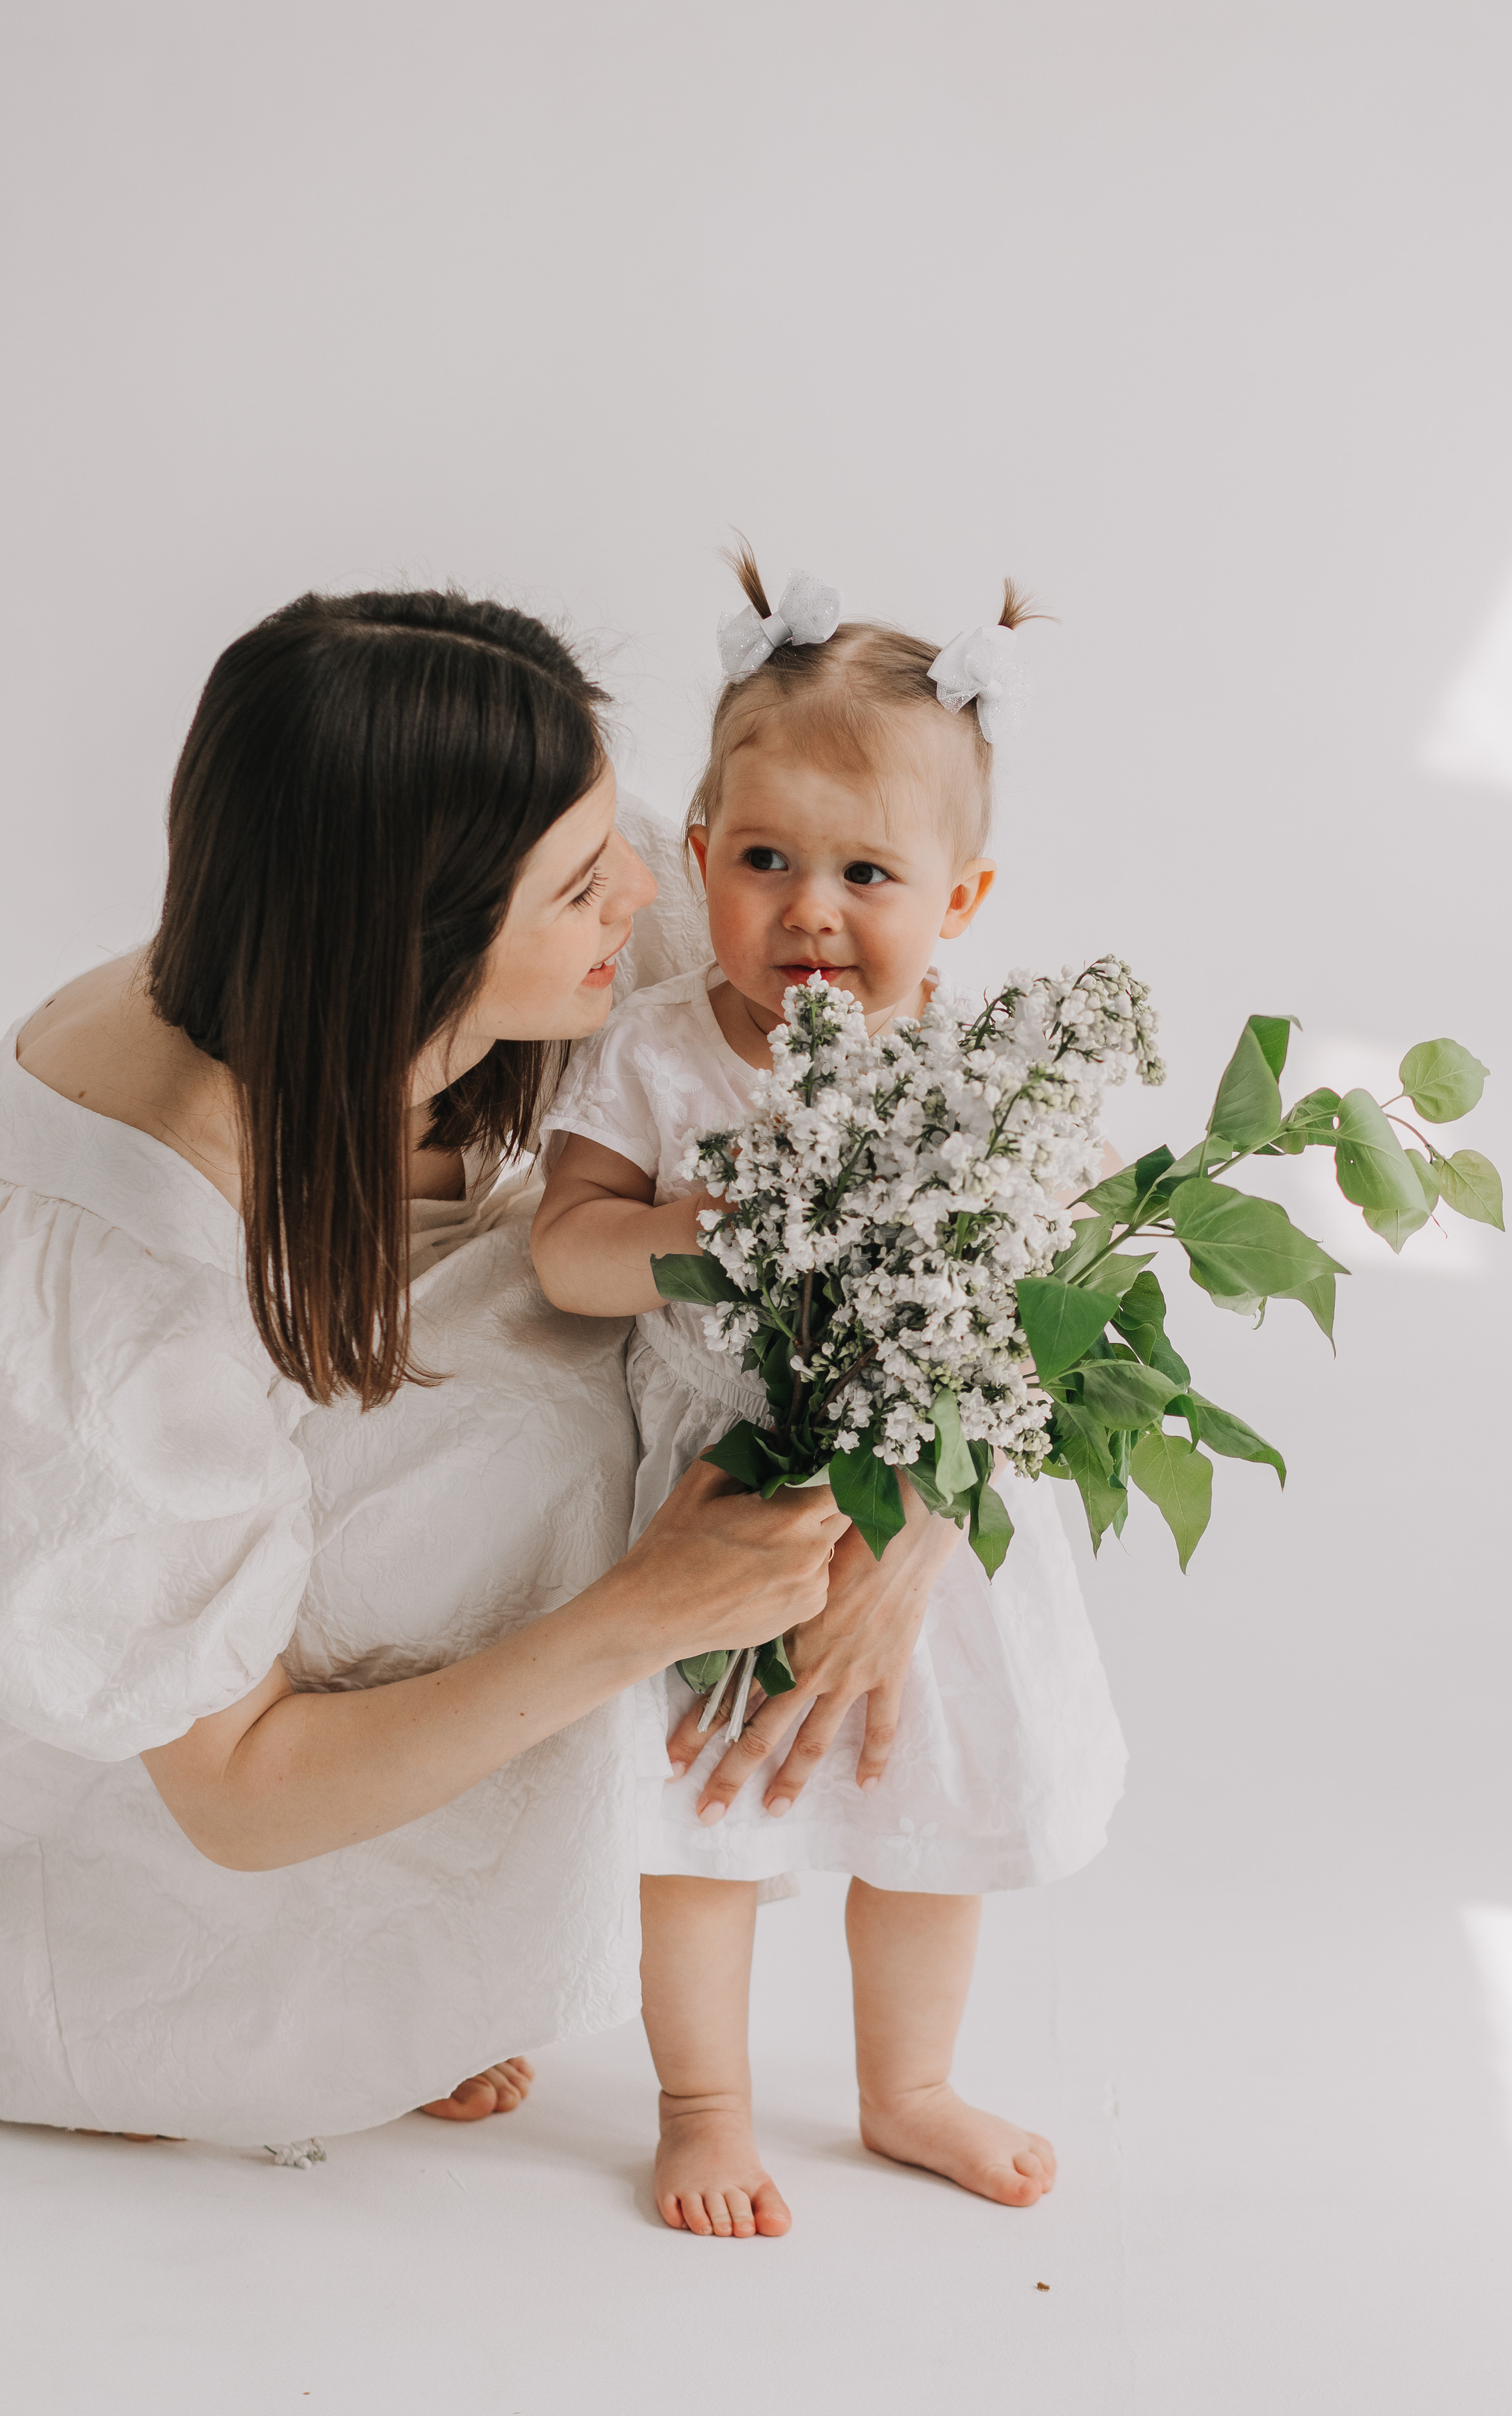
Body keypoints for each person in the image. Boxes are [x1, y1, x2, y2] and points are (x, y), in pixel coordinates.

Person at [0, 585, 981, 2148]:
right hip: (182, 1852)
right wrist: (650, 1610)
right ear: (420, 944)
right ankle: (355, 1971)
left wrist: (912, 1506)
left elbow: (948, 1136)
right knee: (525, 1426)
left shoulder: (555, 894)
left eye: (619, 837)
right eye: (585, 885)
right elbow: (231, 1790)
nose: (649, 884)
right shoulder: (121, 1280)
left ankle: (453, 1937)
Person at [531, 548, 1127, 2240]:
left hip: (915, 1515)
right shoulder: (659, 1053)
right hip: (715, 1510)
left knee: (925, 1814)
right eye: (766, 861)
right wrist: (701, 1230)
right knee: (695, 1825)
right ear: (698, 858)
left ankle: (907, 2088)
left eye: (867, 872)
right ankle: (702, 2105)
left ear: (959, 900)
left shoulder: (977, 1075)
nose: (810, 910)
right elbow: (565, 1255)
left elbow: (1065, 1295)